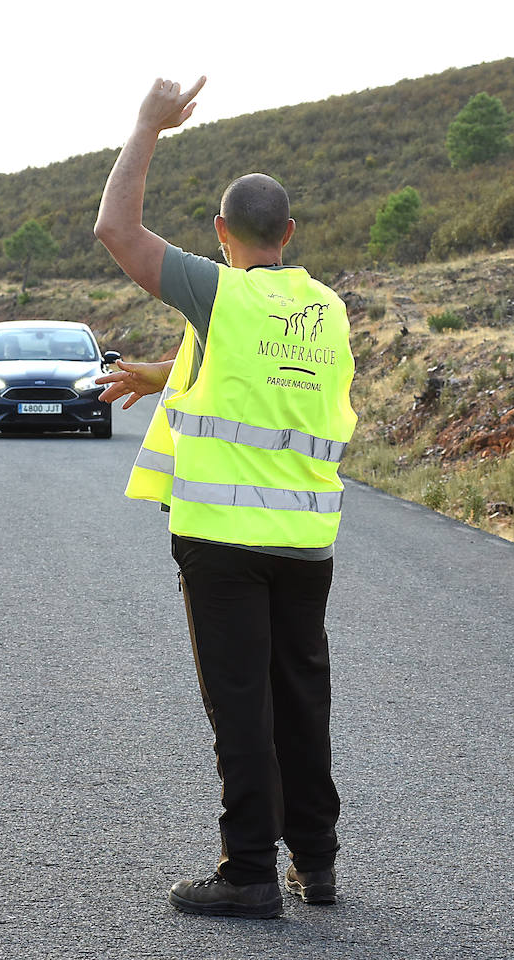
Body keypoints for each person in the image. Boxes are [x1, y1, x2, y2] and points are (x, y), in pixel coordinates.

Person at [93, 78, 356, 919]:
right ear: (290, 234)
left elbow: (117, 232)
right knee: (302, 698)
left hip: (224, 545)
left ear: (220, 235)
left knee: (241, 705)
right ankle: (314, 864)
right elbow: (264, 384)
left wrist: (146, 126)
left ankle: (247, 872)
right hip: (307, 541)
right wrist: (167, 372)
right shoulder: (326, 310)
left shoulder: (219, 293)